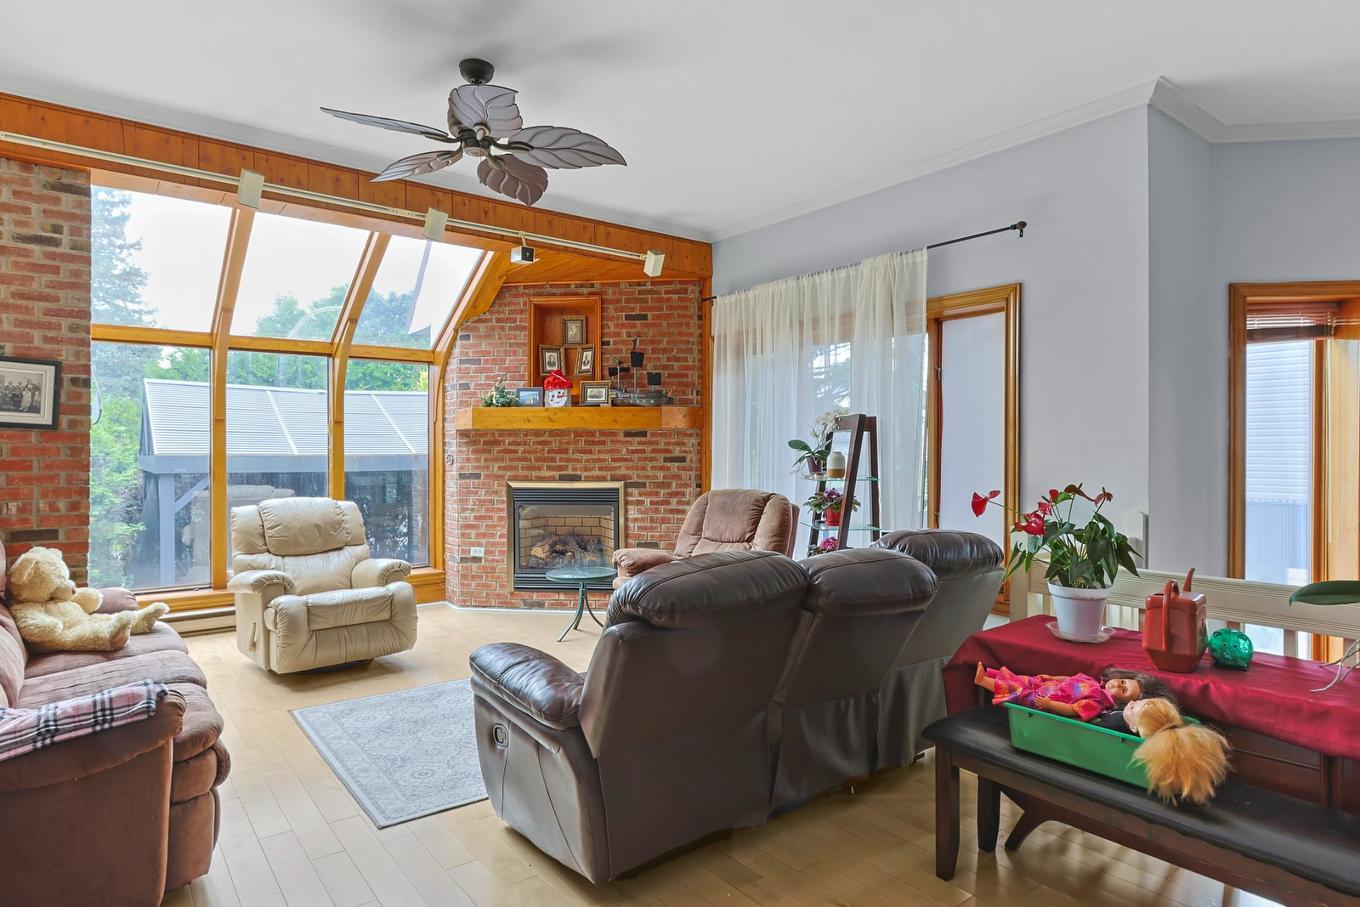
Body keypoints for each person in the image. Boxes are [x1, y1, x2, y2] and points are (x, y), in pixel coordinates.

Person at [973, 662, 1164, 722]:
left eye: (1123, 691)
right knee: (1022, 679)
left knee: (1018, 691)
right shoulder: (1094, 683)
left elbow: (1073, 710)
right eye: (1122, 681)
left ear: (1123, 703)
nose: (1117, 685)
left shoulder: (1097, 703)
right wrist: (1054, 678)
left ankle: (983, 680)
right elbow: (1072, 679)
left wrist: (1049, 705)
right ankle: (990, 674)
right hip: (1047, 687)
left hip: (1045, 700)